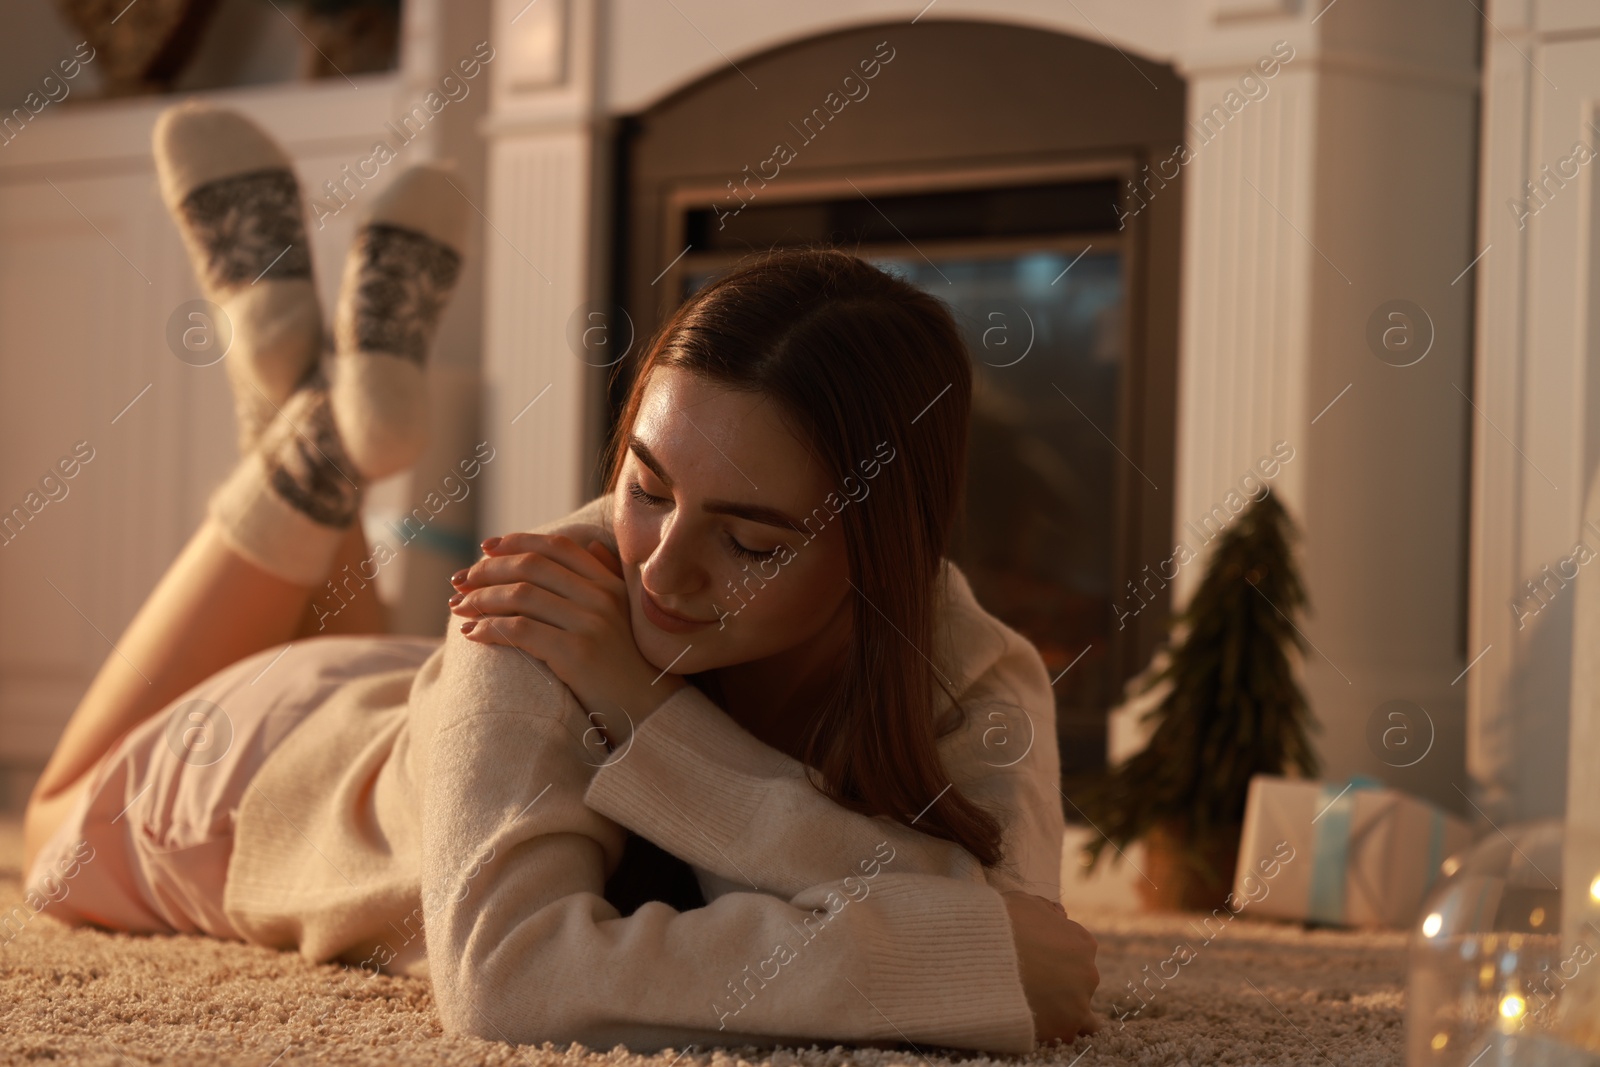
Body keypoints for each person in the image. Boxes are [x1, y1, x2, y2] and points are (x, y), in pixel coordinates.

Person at [19, 102, 1100, 1052]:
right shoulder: (543, 598)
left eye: (752, 540)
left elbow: (1020, 945)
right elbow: (510, 977)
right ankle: (308, 439)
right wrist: (937, 963)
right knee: (48, 835)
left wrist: (645, 709)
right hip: (256, 774)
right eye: (646, 482)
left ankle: (312, 411)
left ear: (887, 548)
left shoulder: (974, 675)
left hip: (420, 708)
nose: (662, 569)